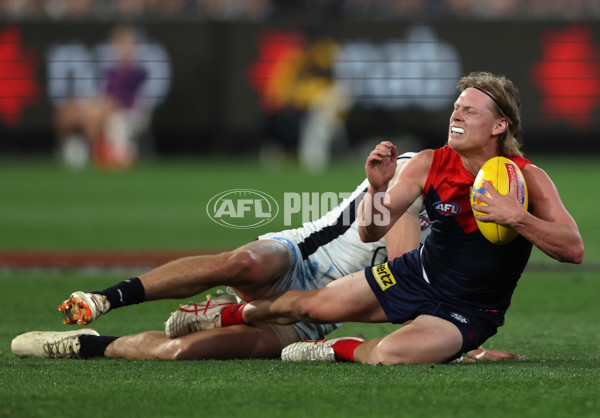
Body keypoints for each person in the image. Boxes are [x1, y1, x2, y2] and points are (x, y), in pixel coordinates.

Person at [94, 71, 581, 366]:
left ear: (499, 126)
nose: (456, 114)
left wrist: (518, 218)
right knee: (309, 304)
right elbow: (372, 228)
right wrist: (376, 187)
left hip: (469, 309)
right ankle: (222, 311)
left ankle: (336, 348)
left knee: (389, 356)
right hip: (409, 275)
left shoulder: (527, 179)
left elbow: (572, 248)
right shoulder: (429, 162)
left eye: (469, 110)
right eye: (455, 106)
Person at [11, 151, 521, 362]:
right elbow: (407, 268)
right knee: (244, 264)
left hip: (319, 314)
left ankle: (85, 344)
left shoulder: (477, 211)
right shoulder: (422, 172)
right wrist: (458, 342)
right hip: (302, 259)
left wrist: (457, 338)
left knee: (187, 353)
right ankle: (102, 299)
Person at [55, 25, 148, 169]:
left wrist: (99, 107)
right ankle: (75, 148)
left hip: (128, 112)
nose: (121, 48)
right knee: (71, 109)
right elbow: (104, 95)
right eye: (118, 44)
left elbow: (121, 101)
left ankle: (92, 152)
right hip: (107, 108)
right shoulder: (111, 71)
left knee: (95, 115)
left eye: (125, 44)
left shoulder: (137, 71)